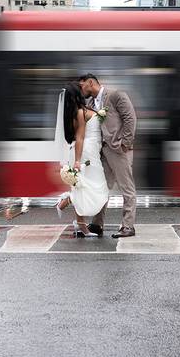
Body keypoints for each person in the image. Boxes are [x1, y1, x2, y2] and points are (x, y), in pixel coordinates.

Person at [77, 73, 137, 239]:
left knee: (127, 188)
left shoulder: (116, 95)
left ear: (91, 83)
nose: (81, 90)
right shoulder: (89, 103)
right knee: (102, 187)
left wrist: (125, 143)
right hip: (101, 152)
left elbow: (130, 118)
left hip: (119, 150)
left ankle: (128, 226)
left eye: (82, 86)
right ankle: (97, 224)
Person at [54, 83, 109, 237]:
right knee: (88, 186)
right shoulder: (80, 112)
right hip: (85, 153)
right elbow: (80, 137)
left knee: (85, 186)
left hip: (92, 151)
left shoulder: (82, 110)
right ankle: (81, 225)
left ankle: (68, 207)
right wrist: (77, 161)